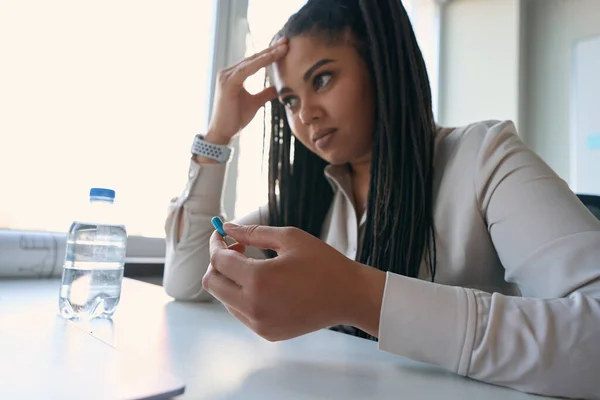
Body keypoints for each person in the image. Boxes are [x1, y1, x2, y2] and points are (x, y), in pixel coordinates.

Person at [163, 0, 600, 398]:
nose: (305, 113)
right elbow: (184, 281)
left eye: (323, 78)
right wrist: (216, 137)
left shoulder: (483, 158)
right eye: (290, 100)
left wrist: (360, 297)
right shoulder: (310, 206)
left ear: (380, 64)